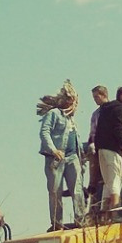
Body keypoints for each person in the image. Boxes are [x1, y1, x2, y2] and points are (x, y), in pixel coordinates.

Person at [38, 81, 86, 231]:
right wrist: (53, 150)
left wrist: (83, 155)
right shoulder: (54, 114)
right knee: (55, 191)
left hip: (72, 157)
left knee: (77, 188)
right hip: (55, 159)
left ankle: (81, 219)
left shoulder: (70, 118)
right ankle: (56, 223)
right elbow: (44, 132)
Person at [94, 86, 122, 215]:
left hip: (101, 149)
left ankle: (104, 213)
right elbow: (119, 131)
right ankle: (115, 213)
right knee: (116, 180)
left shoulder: (105, 109)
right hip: (112, 149)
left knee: (108, 182)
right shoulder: (120, 109)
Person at [86, 85, 109, 211]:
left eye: (96, 97)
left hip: (108, 145)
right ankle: (87, 185)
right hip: (96, 145)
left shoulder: (112, 109)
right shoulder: (95, 114)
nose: (95, 99)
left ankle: (92, 184)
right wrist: (91, 143)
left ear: (104, 95)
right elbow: (92, 132)